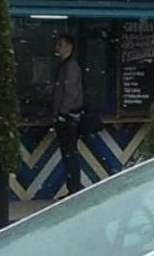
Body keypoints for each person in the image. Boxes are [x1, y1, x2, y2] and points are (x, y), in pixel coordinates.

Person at [50, 33, 84, 195]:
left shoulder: (70, 67)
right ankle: (73, 188)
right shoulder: (65, 66)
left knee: (70, 154)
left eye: (60, 44)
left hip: (69, 117)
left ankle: (74, 188)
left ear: (69, 46)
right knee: (69, 155)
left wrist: (62, 113)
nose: (57, 48)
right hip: (67, 116)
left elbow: (71, 92)